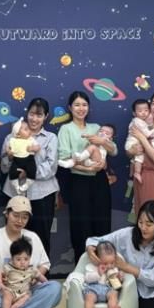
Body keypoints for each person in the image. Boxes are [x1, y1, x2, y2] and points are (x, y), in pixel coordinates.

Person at [57, 91, 117, 258]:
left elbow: (113, 151)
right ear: (70, 108)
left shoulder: (96, 128)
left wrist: (102, 141)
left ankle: (104, 263)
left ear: (89, 107)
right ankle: (81, 265)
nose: (81, 108)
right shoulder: (66, 129)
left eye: (84, 105)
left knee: (102, 222)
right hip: (78, 182)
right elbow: (64, 158)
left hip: (100, 182)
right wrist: (87, 169)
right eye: (77, 105)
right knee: (80, 226)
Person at [0, 97, 59, 256]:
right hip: (14, 193)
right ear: (27, 114)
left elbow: (51, 167)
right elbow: (4, 167)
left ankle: (41, 271)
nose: (34, 119)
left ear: (46, 116)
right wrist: (10, 158)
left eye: (39, 115)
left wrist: (29, 173)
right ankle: (14, 271)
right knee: (14, 238)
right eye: (32, 114)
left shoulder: (50, 138)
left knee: (41, 238)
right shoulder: (11, 137)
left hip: (42, 195)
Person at [0, 237, 48, 308]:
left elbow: (40, 276)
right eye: (18, 259)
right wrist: (0, 283)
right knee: (6, 294)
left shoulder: (32, 270)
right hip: (11, 292)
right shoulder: (8, 267)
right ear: (12, 259)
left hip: (23, 294)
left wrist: (47, 283)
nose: (22, 262)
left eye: (26, 259)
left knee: (28, 297)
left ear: (30, 258)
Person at [82, 240, 123, 308]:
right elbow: (87, 279)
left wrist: (119, 277)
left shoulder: (114, 269)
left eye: (112, 263)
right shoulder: (92, 267)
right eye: (105, 263)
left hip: (108, 289)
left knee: (114, 294)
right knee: (89, 298)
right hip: (94, 289)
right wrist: (98, 274)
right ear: (97, 259)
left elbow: (117, 284)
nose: (109, 266)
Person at [124, 99, 154, 184]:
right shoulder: (137, 120)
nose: (144, 113)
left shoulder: (143, 121)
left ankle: (132, 172)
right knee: (139, 156)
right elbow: (144, 130)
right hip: (132, 144)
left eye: (146, 110)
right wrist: (150, 134)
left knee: (134, 159)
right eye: (140, 111)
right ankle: (137, 172)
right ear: (134, 113)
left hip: (132, 144)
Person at [7, 118, 38, 194]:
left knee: (32, 169)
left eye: (28, 129)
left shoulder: (31, 139)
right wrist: (9, 152)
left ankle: (27, 184)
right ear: (18, 134)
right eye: (26, 129)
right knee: (13, 171)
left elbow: (38, 147)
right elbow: (8, 148)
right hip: (16, 160)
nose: (29, 131)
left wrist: (33, 148)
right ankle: (16, 186)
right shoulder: (13, 140)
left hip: (29, 159)